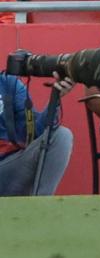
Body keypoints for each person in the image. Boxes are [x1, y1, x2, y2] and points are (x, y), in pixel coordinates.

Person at [0, 66, 71, 197]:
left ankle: (41, 208)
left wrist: (56, 96)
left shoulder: (8, 82)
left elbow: (33, 133)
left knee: (62, 136)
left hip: (8, 169)